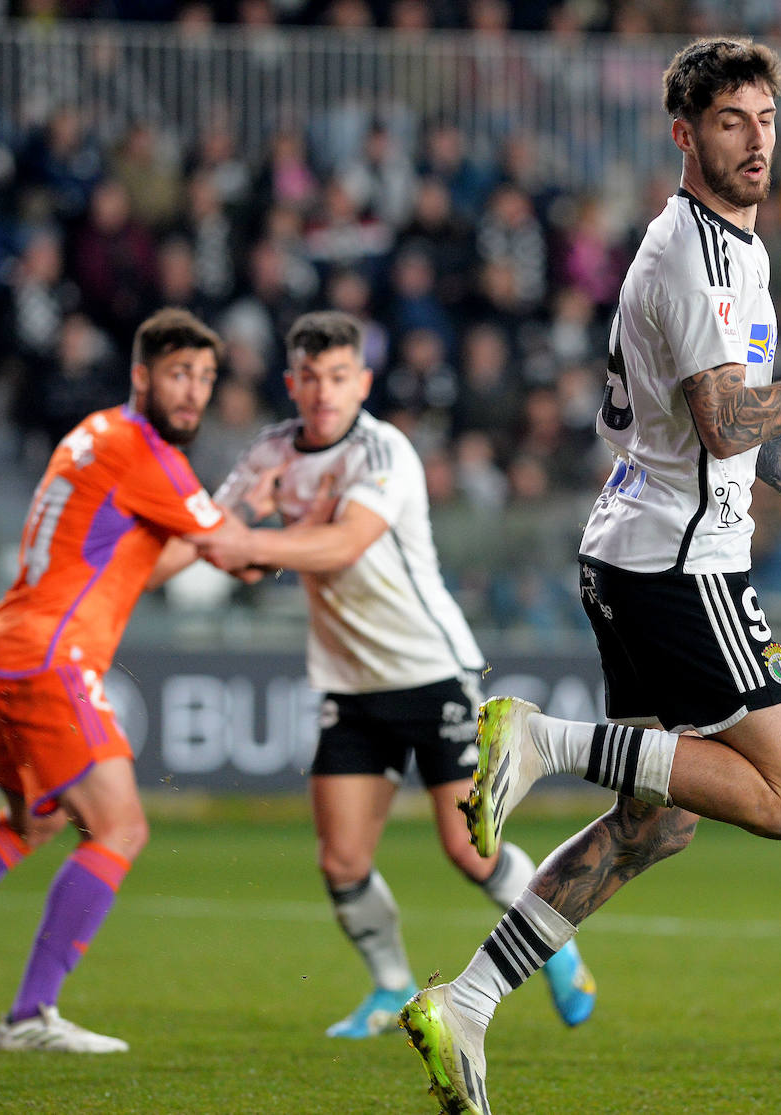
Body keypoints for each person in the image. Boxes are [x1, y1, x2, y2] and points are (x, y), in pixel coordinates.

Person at [399, 38, 781, 1115]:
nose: (755, 141)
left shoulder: (731, 250)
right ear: (684, 135)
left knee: (656, 820)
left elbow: (751, 436)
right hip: (677, 564)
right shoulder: (697, 256)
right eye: (730, 123)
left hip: (635, 552)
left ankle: (465, 1000)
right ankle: (545, 738)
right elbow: (723, 419)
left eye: (764, 119)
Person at [148, 310, 597, 1039]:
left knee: (468, 848)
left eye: (339, 377)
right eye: (311, 378)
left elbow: (345, 542)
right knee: (342, 856)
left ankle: (557, 939)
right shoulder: (269, 454)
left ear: (361, 381)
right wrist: (121, 576)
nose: (324, 391)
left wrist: (250, 541)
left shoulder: (384, 452)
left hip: (432, 671)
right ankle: (390, 987)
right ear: (291, 383)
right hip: (348, 684)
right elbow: (207, 537)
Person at [0, 308, 258, 1053]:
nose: (195, 391)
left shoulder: (94, 437)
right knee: (120, 826)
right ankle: (30, 1015)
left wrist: (222, 542)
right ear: (141, 376)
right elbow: (234, 548)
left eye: (205, 376)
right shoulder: (147, 453)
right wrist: (279, 535)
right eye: (179, 374)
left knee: (33, 821)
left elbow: (141, 561)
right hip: (50, 657)